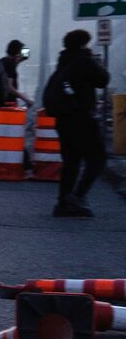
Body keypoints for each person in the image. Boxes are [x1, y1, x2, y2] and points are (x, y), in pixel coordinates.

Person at [49, 29, 110, 217]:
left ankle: (63, 203)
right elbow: (103, 80)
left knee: (71, 162)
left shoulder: (64, 60)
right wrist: (96, 61)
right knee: (98, 159)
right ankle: (77, 196)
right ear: (83, 44)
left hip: (63, 120)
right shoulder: (84, 60)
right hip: (81, 118)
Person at [0, 40, 33, 107]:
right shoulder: (10, 64)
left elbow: (25, 56)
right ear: (17, 54)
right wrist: (26, 99)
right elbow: (9, 87)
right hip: (8, 106)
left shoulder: (2, 61)